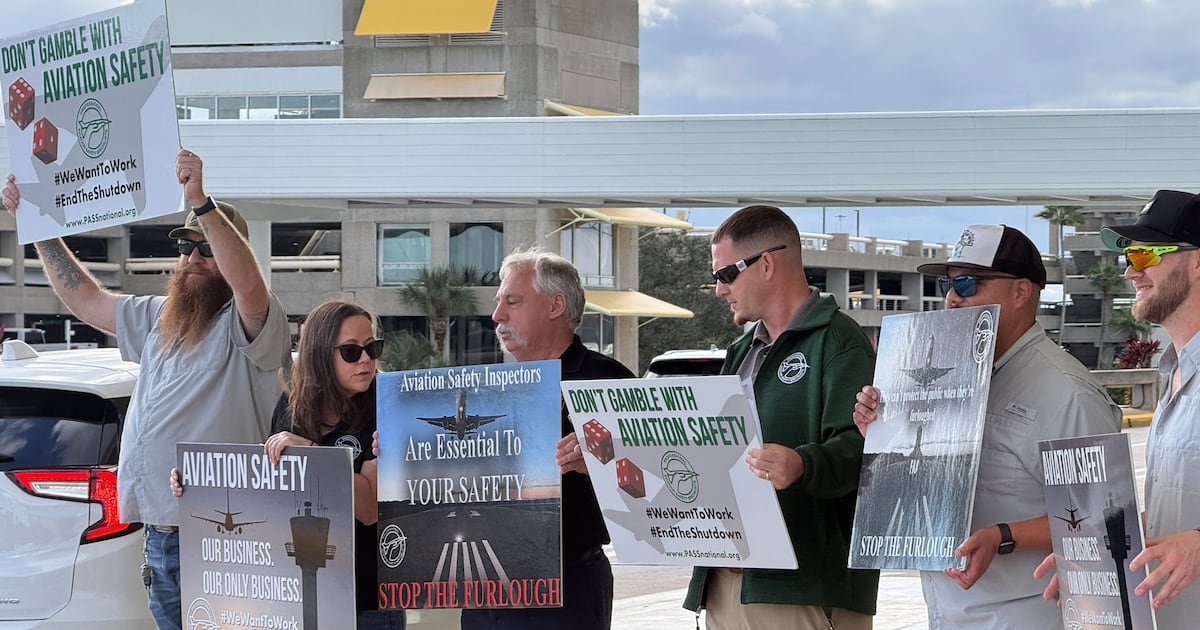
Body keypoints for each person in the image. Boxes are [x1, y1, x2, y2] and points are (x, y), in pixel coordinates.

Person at [3, 150, 292, 630]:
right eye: (186, 247)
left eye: (208, 249)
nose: (193, 258)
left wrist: (200, 202)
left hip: (222, 537)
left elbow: (249, 286)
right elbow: (86, 300)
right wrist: (39, 228)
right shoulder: (161, 316)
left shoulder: (253, 322)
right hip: (160, 533)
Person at [853, 224, 1121, 628]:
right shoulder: (953, 380)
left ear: (1021, 292)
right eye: (947, 284)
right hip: (949, 616)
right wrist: (884, 433)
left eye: (968, 283)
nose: (952, 297)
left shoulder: (1068, 394)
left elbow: (1106, 519)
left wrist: (1004, 536)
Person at [682, 205, 879, 629]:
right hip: (727, 582)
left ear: (767, 264)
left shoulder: (840, 342)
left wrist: (802, 464)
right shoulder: (741, 352)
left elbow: (869, 453)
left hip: (805, 590)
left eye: (725, 274)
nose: (719, 290)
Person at [174, 299, 404, 628]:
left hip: (367, 600)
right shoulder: (291, 406)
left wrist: (310, 452)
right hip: (297, 601)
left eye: (372, 347)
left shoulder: (388, 405)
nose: (366, 359)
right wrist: (195, 484)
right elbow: (268, 490)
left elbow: (369, 509)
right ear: (320, 354)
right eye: (352, 351)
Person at [1035, 189, 1200, 627]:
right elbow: (1179, 512)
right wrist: (1094, 546)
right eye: (1128, 256)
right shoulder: (1174, 372)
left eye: (1144, 255)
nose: (1130, 271)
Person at [458, 246, 634, 630]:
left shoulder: (607, 382)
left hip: (567, 587)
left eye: (512, 301)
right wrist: (402, 450)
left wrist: (599, 461)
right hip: (484, 586)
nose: (497, 314)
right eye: (498, 302)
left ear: (555, 306)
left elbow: (648, 484)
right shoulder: (487, 388)